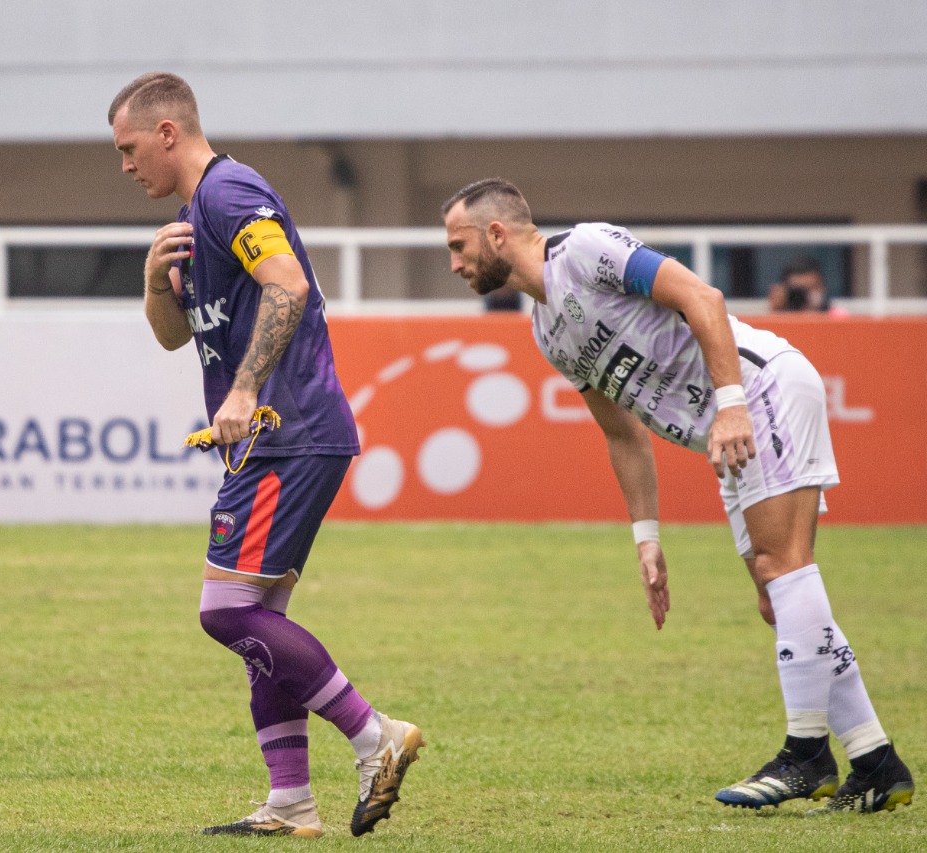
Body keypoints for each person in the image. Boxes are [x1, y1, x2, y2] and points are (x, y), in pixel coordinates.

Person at [441, 178, 913, 814]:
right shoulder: (547, 331)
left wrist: (731, 404)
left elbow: (702, 297)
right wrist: (647, 538)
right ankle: (876, 761)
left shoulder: (585, 249)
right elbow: (624, 435)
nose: (455, 261)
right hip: (735, 421)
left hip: (760, 389)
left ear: (497, 233)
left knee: (784, 569)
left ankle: (806, 754)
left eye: (459, 244)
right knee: (781, 601)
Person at [108, 72, 423, 838]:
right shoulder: (192, 221)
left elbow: (288, 284)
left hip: (288, 429)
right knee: (260, 626)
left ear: (169, 133)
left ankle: (374, 732)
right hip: (282, 435)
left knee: (226, 611)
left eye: (129, 148)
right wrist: (154, 282)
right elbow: (174, 334)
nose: (124, 166)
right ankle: (290, 800)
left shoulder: (229, 193)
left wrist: (245, 390)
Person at [768, 256, 846, 316]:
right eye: (798, 290)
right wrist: (776, 311)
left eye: (810, 289)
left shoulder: (838, 318)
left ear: (822, 287)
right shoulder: (779, 318)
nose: (804, 295)